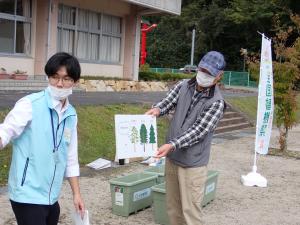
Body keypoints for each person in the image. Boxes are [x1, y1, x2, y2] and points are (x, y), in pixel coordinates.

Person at [0, 52, 85, 225]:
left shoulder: (71, 114)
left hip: (51, 196)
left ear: (75, 82)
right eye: (55, 77)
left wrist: (76, 194)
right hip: (27, 195)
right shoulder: (29, 104)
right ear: (48, 77)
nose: (59, 84)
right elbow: (6, 130)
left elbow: (70, 157)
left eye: (66, 78)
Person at [146, 51, 226, 225]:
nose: (204, 75)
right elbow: (168, 101)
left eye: (210, 73)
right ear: (198, 67)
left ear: (219, 76)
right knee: (173, 208)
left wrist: (172, 144)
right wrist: (158, 109)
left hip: (193, 164)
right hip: (173, 158)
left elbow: (198, 131)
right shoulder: (183, 85)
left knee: (190, 213)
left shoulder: (216, 102)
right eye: (203, 69)